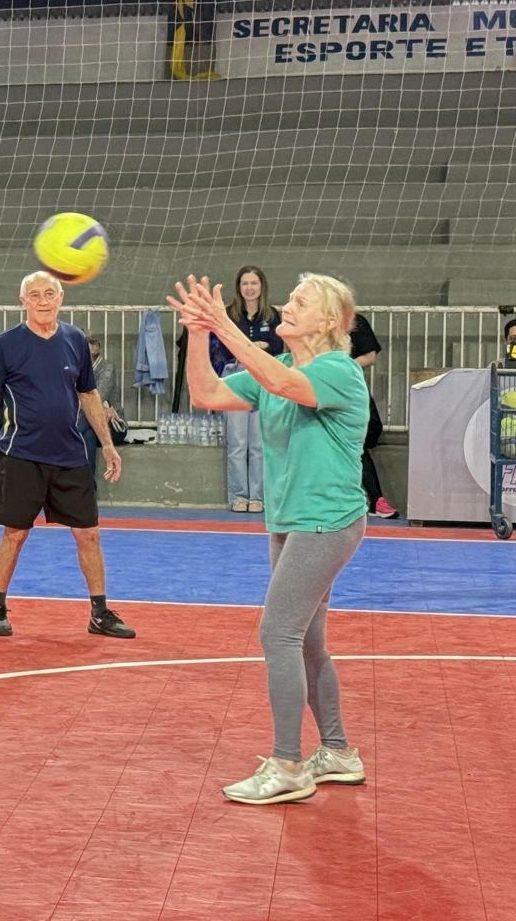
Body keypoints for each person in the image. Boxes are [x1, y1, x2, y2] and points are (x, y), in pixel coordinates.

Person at [171, 272, 370, 805]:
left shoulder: (338, 370)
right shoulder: (276, 366)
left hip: (325, 520)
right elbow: (206, 393)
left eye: (301, 301)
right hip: (292, 521)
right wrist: (199, 333)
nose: (287, 304)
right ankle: (338, 752)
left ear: (329, 321)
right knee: (306, 641)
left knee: (277, 633)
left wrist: (224, 324)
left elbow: (283, 387)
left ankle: (287, 765)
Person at [0, 272, 133, 639]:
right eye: (35, 295)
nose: (43, 301)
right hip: (21, 455)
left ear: (60, 299)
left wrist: (108, 444)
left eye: (49, 294)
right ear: (23, 301)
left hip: (70, 455)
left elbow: (89, 395)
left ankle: (99, 613)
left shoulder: (75, 340)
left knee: (89, 535)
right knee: (15, 534)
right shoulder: (5, 344)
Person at [216, 266, 282, 513]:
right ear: (239, 287)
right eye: (245, 283)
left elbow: (277, 347)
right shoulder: (229, 314)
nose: (249, 288)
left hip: (262, 377)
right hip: (235, 375)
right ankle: (238, 496)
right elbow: (224, 347)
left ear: (261, 286)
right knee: (237, 441)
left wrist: (250, 347)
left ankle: (257, 496)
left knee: (258, 443)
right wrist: (254, 346)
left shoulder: (272, 315)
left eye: (254, 283)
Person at [347, 312, 394, 518]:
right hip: (317, 391)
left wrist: (341, 368)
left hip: (349, 388)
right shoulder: (311, 322)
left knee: (359, 445)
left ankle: (376, 499)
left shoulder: (354, 321)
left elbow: (370, 356)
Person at [77, 335, 128, 476]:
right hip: (89, 426)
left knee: (87, 415)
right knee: (88, 435)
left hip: (112, 426)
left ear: (94, 348)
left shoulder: (106, 368)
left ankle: (66, 438)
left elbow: (94, 400)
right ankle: (89, 486)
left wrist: (87, 404)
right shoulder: (73, 368)